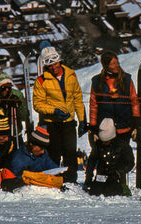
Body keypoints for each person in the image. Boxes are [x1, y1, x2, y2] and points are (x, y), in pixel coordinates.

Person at [33, 46, 86, 183]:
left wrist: (82, 120)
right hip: (52, 123)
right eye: (50, 65)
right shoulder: (41, 81)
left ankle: (71, 180)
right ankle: (53, 179)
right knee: (54, 153)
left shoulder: (71, 75)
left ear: (59, 61)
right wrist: (54, 111)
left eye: (55, 63)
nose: (53, 67)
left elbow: (77, 99)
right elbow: (37, 104)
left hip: (68, 122)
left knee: (70, 153)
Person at [89, 51, 140, 145]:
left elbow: (134, 101)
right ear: (106, 65)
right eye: (113, 64)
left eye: (117, 63)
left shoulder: (126, 79)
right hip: (105, 129)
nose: (117, 66)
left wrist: (136, 123)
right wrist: (93, 127)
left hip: (124, 126)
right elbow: (93, 105)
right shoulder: (97, 82)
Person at [0, 125, 59, 191]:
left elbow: (51, 166)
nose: (43, 152)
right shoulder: (19, 159)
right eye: (41, 148)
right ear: (31, 144)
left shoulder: (42, 153)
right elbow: (15, 181)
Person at [84, 118, 135, 196]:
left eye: (106, 141)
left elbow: (130, 162)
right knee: (95, 191)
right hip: (101, 176)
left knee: (111, 190)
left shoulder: (122, 145)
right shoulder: (98, 145)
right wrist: (88, 180)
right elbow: (91, 162)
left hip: (117, 177)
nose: (104, 143)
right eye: (102, 141)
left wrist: (119, 171)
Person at [0, 69, 31, 148]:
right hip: (0, 135)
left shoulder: (17, 95)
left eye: (9, 86)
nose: (7, 90)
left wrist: (18, 106)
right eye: (3, 88)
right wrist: (5, 106)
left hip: (15, 132)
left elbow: (24, 116)